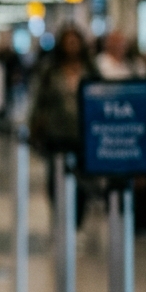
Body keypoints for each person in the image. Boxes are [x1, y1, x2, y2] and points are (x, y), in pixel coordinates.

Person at [30, 26, 98, 226]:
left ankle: (77, 219)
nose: (72, 45)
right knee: (56, 177)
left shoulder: (90, 69)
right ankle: (60, 215)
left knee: (83, 180)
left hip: (83, 133)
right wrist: (35, 125)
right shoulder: (51, 71)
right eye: (68, 41)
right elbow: (39, 101)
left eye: (75, 41)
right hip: (56, 132)